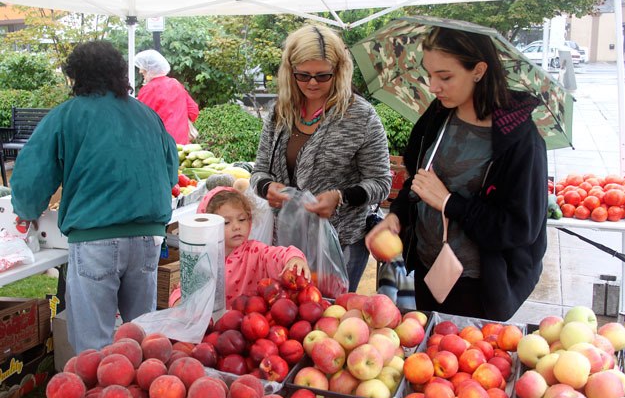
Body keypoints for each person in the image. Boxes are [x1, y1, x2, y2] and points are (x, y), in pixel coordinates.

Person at [365, 27, 548, 321]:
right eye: (429, 75)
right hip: (427, 270)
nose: (433, 87)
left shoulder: (519, 139)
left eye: (445, 76)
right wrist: (396, 215)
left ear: (478, 70)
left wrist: (450, 203)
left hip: (478, 285)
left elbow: (519, 228)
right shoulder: (438, 116)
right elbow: (418, 181)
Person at [9, 41, 179, 352]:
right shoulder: (147, 116)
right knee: (140, 342)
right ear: (120, 74)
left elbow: (31, 177)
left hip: (94, 239)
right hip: (148, 239)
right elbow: (170, 173)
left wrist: (26, 209)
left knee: (94, 350)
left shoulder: (66, 115)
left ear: (76, 77)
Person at [251, 24, 391, 292]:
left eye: (322, 75)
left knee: (332, 314)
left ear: (339, 72)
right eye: (302, 75)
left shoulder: (360, 116)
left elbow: (381, 182)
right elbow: (259, 171)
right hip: (286, 244)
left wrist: (341, 197)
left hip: (341, 243)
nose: (312, 83)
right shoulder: (281, 111)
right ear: (289, 72)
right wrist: (267, 187)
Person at [170, 186, 310, 308]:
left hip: (251, 326)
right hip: (211, 328)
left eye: (242, 219)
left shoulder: (256, 252)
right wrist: (177, 303)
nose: (237, 226)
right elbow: (184, 289)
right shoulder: (202, 258)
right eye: (226, 222)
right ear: (208, 226)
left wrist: (294, 258)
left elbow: (278, 254)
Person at [134, 49, 200, 145]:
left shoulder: (148, 90)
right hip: (182, 143)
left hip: (160, 144)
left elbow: (141, 121)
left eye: (142, 68)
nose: (140, 71)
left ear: (149, 70)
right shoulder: (175, 83)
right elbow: (193, 110)